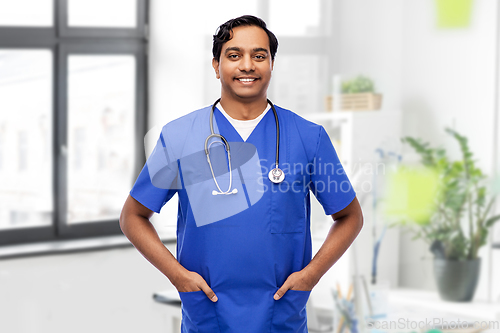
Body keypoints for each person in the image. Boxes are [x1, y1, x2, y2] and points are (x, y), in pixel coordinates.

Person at [120, 15, 363, 333]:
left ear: (271, 64)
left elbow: (350, 216)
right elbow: (132, 216)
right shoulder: (180, 136)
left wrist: (312, 275)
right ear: (216, 65)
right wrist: (176, 274)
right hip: (209, 315)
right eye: (234, 55)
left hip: (280, 316)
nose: (247, 65)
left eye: (259, 55)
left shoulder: (307, 137)